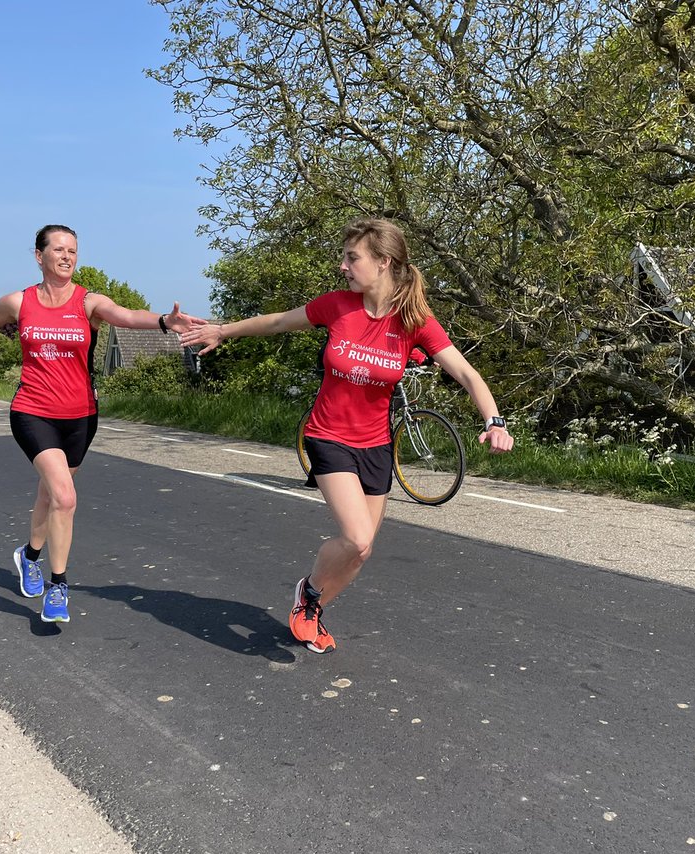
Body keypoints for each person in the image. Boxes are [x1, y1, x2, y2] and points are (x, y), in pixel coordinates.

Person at [180, 217, 513, 653]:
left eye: (352, 257)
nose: (343, 266)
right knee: (355, 536)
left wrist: (494, 420)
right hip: (328, 435)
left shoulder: (414, 320)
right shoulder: (337, 305)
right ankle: (310, 594)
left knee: (363, 551)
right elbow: (278, 321)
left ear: (383, 262)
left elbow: (466, 373)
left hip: (375, 445)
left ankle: (312, 602)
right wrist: (223, 330)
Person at [0, 224, 205, 624]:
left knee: (50, 494)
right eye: (58, 249)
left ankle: (28, 556)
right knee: (65, 496)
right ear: (39, 255)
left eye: (73, 251)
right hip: (33, 410)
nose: (66, 257)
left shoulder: (89, 303)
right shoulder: (19, 302)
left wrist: (166, 321)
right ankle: (58, 585)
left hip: (80, 417)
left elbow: (127, 317)